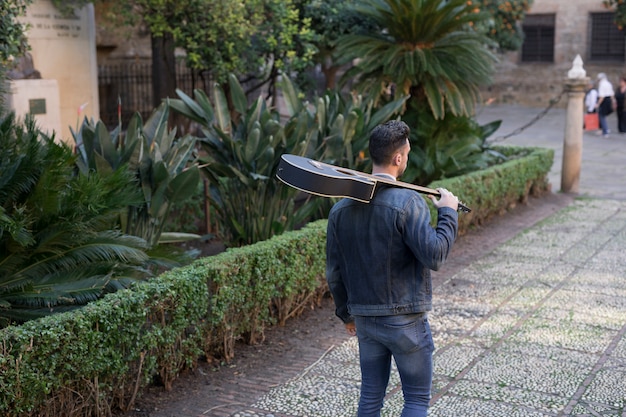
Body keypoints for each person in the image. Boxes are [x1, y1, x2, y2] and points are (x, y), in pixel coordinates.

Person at [326, 120, 459, 417]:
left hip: (364, 318)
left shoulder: (340, 209)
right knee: (415, 401)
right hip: (405, 320)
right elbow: (435, 256)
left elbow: (333, 273)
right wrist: (448, 213)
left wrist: (346, 314)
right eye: (407, 154)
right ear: (398, 158)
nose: (407, 159)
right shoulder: (409, 202)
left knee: (370, 400)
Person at [596, 73, 615, 137]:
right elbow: (612, 94)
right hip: (608, 99)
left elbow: (602, 96)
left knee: (602, 116)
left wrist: (598, 104)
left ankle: (605, 131)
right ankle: (603, 129)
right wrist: (612, 101)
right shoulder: (608, 83)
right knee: (603, 116)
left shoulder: (602, 84)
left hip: (604, 101)